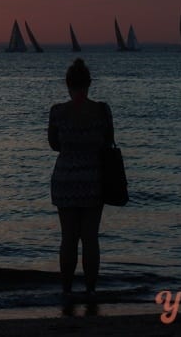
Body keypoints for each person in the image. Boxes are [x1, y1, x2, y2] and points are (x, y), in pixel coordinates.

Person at [48, 58, 114, 300]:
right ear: (89, 84)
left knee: (68, 238)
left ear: (68, 84)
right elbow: (108, 142)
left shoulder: (57, 112)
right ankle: (90, 289)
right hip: (94, 179)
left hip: (65, 179)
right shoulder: (102, 110)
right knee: (90, 237)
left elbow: (54, 144)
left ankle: (66, 289)